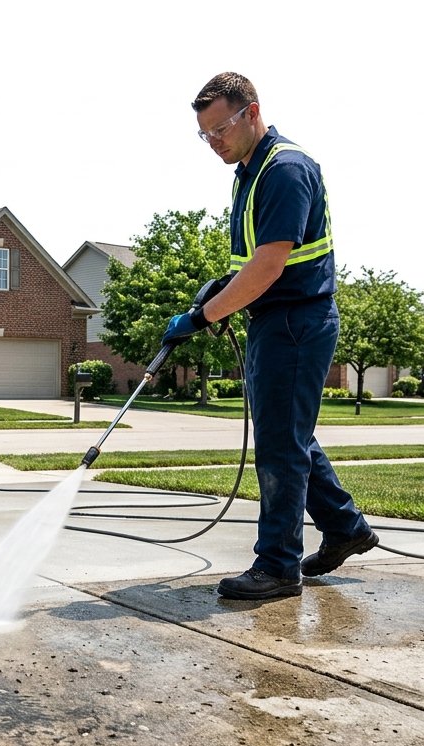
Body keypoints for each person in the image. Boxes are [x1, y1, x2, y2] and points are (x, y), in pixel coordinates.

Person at [162, 71, 378, 600]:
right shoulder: (249, 171)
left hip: (296, 323)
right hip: (273, 320)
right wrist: (225, 292)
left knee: (280, 446)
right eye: (204, 134)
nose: (213, 142)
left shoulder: (284, 169)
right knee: (289, 435)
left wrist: (203, 316)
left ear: (252, 112)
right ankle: (346, 527)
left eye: (220, 129)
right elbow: (253, 264)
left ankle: (279, 566)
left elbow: (269, 265)